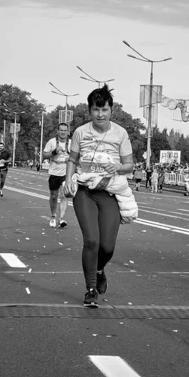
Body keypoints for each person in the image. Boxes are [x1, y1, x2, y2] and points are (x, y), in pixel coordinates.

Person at [63, 85, 134, 308]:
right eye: (96, 110)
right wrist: (68, 179)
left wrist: (118, 170)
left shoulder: (120, 133)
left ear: (111, 110)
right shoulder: (80, 133)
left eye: (104, 110)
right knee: (92, 240)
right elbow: (72, 160)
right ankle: (90, 289)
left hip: (109, 192)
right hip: (85, 192)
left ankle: (100, 269)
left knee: (107, 247)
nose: (100, 115)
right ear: (90, 111)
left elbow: (129, 165)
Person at [42, 122, 70, 228]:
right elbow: (44, 155)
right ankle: (53, 216)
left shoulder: (71, 142)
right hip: (54, 172)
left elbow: (76, 156)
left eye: (65, 130)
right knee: (54, 196)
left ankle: (62, 219)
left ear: (68, 132)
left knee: (64, 195)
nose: (63, 132)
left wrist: (70, 156)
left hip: (66, 172)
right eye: (61, 130)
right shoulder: (52, 142)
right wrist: (54, 152)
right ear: (57, 131)